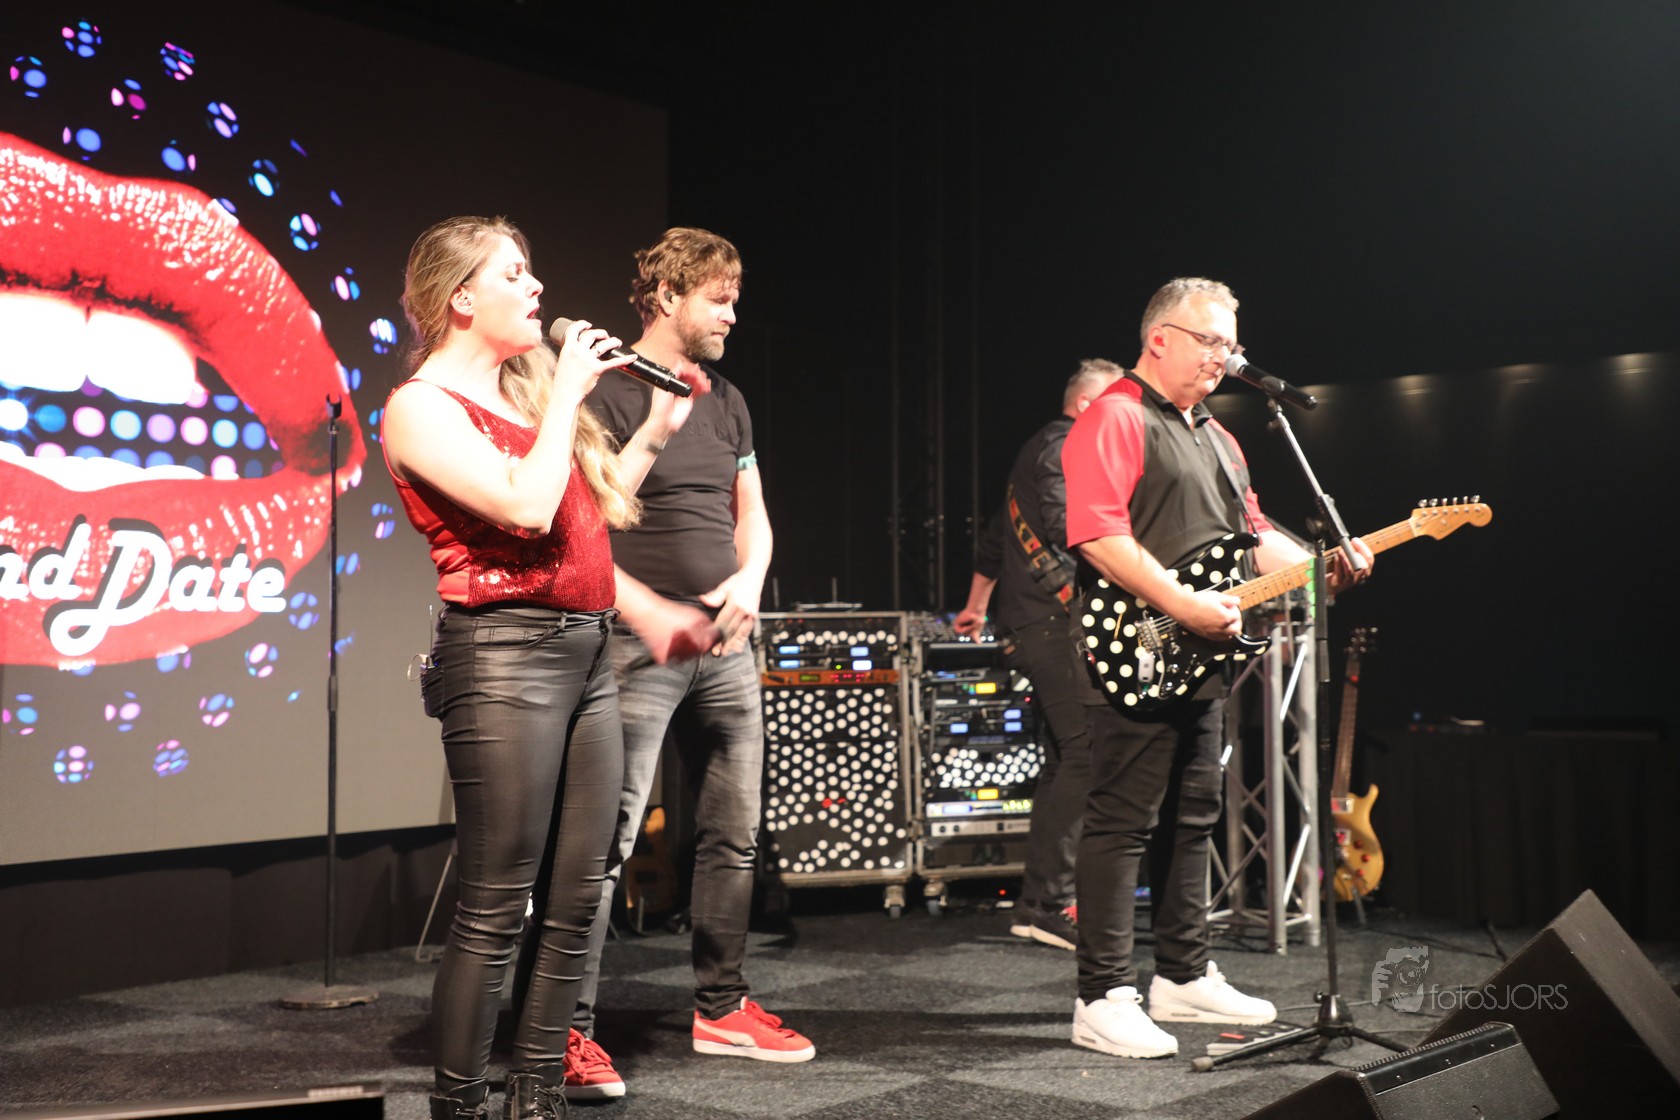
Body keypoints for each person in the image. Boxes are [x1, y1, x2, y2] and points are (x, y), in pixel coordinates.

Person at [381, 216, 714, 1120]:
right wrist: (567, 391)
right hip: (503, 661)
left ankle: (536, 1100)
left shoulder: (527, 397)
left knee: (574, 901)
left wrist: (652, 430)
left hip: (586, 653)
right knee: (496, 906)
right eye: (515, 274)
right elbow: (525, 512)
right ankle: (461, 1106)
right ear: (461, 297)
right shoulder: (420, 407)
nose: (537, 288)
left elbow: (588, 516)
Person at [1061, 277, 1373, 1059]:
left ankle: (1182, 973)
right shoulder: (1115, 416)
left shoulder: (1221, 438)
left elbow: (1252, 537)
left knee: (1193, 815)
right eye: (1211, 342)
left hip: (1197, 654)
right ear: (1159, 338)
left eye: (1233, 345)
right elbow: (1098, 535)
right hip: (1134, 646)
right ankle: (1101, 995)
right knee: (1122, 822)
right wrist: (1184, 604)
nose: (1225, 358)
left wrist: (1320, 571)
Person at [568, 227, 813, 1092]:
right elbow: (587, 520)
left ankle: (722, 1006)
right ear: (667, 296)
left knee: (732, 834)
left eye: (735, 299)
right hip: (636, 644)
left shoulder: (729, 398)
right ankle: (565, 1028)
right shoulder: (606, 390)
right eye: (719, 298)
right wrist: (653, 610)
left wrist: (751, 579)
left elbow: (754, 510)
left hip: (728, 642)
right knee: (606, 840)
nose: (733, 315)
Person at [953, 359, 1124, 951]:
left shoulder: (1044, 446)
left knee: (1064, 761)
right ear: (1086, 406)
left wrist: (975, 606)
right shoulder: (1064, 445)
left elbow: (994, 541)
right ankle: (1051, 903)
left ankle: (1036, 905)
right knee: (1085, 753)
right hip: (1053, 623)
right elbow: (1065, 526)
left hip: (1034, 621)